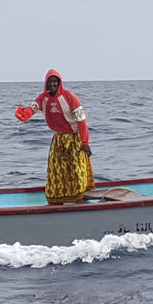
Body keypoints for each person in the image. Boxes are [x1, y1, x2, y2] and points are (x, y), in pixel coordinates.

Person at [15, 69, 94, 203]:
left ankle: (79, 198)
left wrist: (85, 142)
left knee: (75, 168)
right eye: (50, 82)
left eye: (55, 81)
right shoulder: (43, 98)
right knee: (56, 169)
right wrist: (24, 114)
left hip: (74, 138)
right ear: (46, 83)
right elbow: (33, 107)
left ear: (59, 83)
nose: (52, 84)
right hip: (58, 139)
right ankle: (56, 199)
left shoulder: (70, 97)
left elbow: (82, 121)